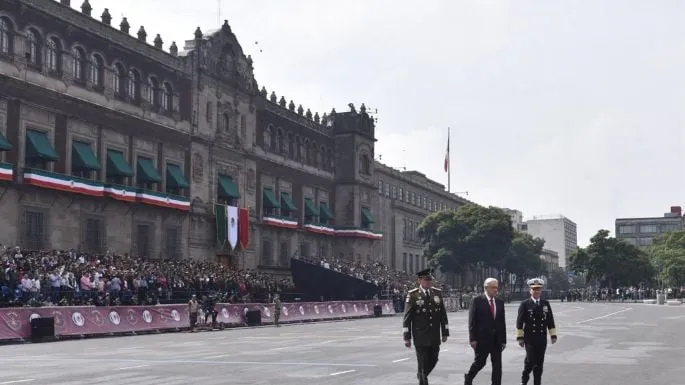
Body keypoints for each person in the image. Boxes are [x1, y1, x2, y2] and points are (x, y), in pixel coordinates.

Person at [403, 269, 449, 385]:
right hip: (420, 336)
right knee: (422, 364)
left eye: (430, 280)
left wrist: (445, 332)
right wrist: (406, 337)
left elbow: (443, 314)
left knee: (434, 359)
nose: (428, 282)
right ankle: (423, 379)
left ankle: (421, 375)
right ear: (419, 280)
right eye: (426, 279)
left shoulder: (437, 293)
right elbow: (407, 318)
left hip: (434, 335)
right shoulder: (413, 295)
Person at [464, 278, 506, 385]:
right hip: (482, 339)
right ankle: (469, 377)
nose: (496, 290)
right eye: (493, 287)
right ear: (486, 288)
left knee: (497, 366)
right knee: (480, 362)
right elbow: (472, 321)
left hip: (496, 340)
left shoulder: (500, 302)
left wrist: (503, 340)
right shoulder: (477, 301)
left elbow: (502, 322)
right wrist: (472, 339)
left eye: (497, 287)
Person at [516, 278, 557, 385]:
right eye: (534, 289)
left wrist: (553, 335)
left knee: (539, 363)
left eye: (538, 289)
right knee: (530, 361)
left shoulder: (545, 304)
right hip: (529, 339)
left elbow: (550, 320)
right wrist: (520, 338)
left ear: (541, 290)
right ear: (530, 291)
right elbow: (519, 322)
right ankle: (524, 379)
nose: (536, 291)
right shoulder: (525, 304)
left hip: (541, 338)